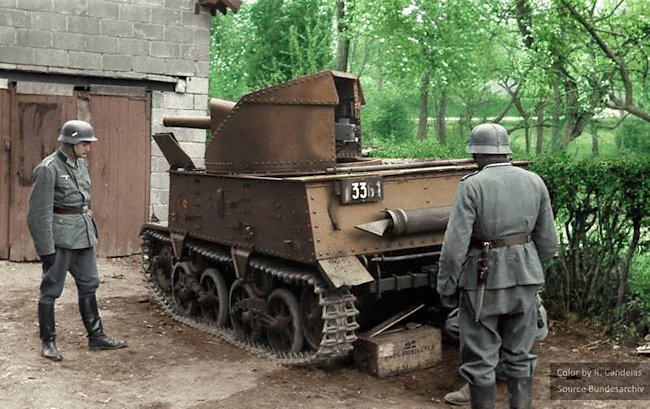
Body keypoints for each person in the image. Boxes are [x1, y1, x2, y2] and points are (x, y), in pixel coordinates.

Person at [436, 123, 558, 409]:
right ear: (506, 151)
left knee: (480, 357)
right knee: (520, 354)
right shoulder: (534, 181)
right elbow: (549, 242)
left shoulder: (472, 185)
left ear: (476, 155)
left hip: (483, 280)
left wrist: (446, 284)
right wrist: (531, 270)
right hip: (526, 278)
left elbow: (454, 245)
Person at [27, 120, 127, 361]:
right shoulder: (48, 168)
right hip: (60, 239)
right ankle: (48, 342)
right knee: (51, 289)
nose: (88, 148)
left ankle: (96, 337)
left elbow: (81, 198)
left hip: (82, 235)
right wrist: (46, 249)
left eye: (88, 144)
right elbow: (37, 213)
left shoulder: (80, 165)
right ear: (70, 143)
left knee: (90, 283)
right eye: (84, 143)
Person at [442, 293, 549, 406]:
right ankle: (492, 372)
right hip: (500, 305)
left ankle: (488, 376)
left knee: (498, 337)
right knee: (456, 324)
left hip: (525, 317)